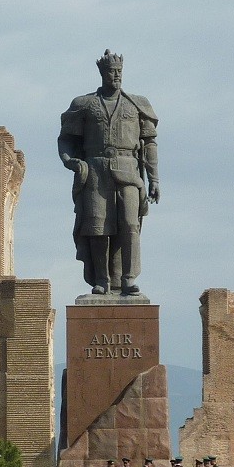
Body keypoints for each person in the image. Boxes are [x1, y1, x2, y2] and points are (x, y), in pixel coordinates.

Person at [58, 49, 160, 296]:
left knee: (129, 224)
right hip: (94, 171)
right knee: (97, 227)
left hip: (128, 170)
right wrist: (71, 161)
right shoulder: (84, 104)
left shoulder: (137, 104)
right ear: (103, 73)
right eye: (111, 72)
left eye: (119, 72)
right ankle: (102, 279)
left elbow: (149, 143)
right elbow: (66, 139)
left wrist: (154, 178)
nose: (116, 76)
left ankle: (128, 278)